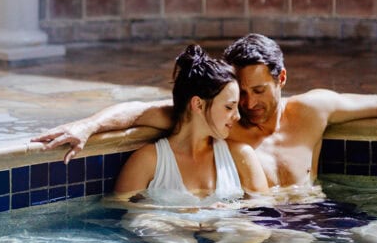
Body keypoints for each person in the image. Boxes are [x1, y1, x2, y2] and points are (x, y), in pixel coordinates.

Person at [34, 33, 377, 191]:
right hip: (255, 222)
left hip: (311, 212)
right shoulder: (222, 118)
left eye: (258, 91)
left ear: (282, 79)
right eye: (241, 93)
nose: (248, 105)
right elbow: (141, 112)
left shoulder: (313, 111)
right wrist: (89, 124)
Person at [111, 43, 268, 206]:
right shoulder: (148, 161)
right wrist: (179, 218)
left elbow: (263, 214)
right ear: (198, 105)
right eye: (229, 107)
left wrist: (228, 213)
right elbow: (118, 209)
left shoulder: (241, 156)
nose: (237, 116)